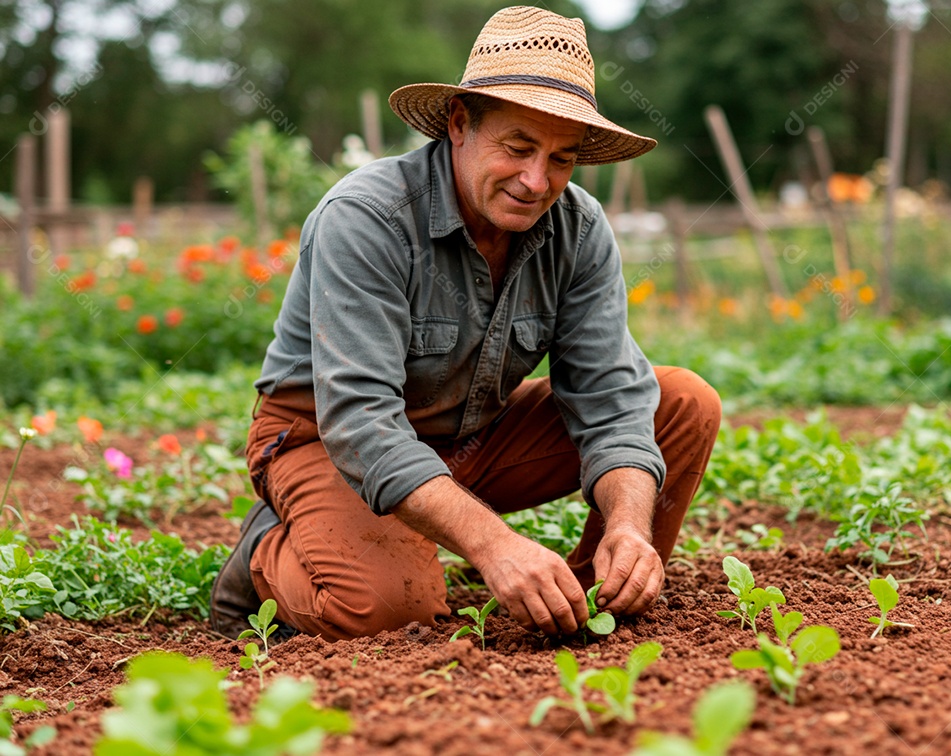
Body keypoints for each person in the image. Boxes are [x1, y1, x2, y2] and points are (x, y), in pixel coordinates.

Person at [210, 5, 721, 641]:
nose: (537, 182)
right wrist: (494, 544)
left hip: (471, 437)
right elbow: (360, 421)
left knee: (681, 402)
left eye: (561, 159)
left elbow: (612, 400)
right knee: (393, 612)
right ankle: (267, 557)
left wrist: (627, 527)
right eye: (518, 148)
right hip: (328, 441)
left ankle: (586, 600)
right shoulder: (368, 217)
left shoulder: (579, 228)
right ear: (459, 123)